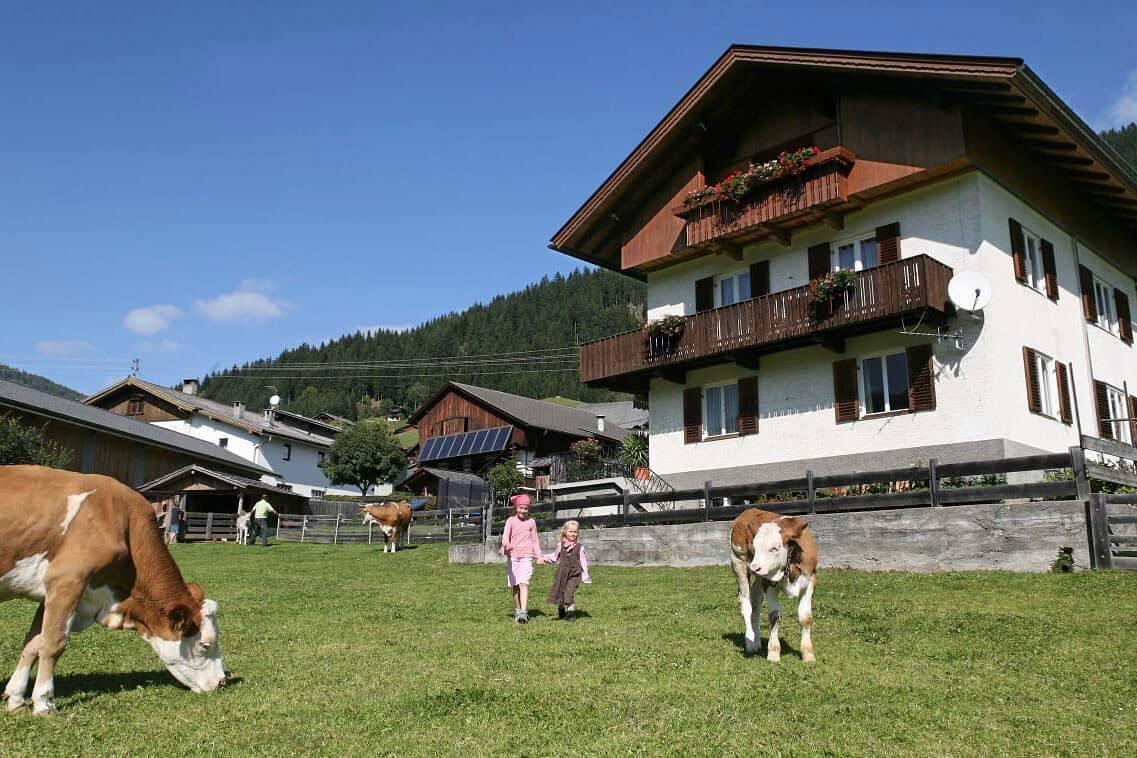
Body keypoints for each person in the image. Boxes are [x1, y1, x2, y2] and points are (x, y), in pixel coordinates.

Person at [499, 494, 540, 624]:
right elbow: (505, 536)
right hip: (513, 557)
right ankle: (518, 610)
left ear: (529, 509)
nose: (523, 511)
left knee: (524, 583)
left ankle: (523, 612)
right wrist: (507, 544)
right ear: (516, 508)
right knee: (516, 585)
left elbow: (535, 540)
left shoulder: (531, 522)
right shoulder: (511, 521)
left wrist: (539, 556)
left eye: (525, 508)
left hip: (526, 556)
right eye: (521, 508)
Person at [540, 520, 591, 621]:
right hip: (562, 573)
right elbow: (555, 556)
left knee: (569, 592)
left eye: (575, 532)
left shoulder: (580, 547)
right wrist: (544, 558)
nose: (573, 534)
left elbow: (583, 562)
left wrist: (586, 576)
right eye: (571, 531)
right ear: (565, 532)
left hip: (574, 574)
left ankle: (571, 613)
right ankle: (561, 609)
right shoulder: (560, 545)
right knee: (560, 592)